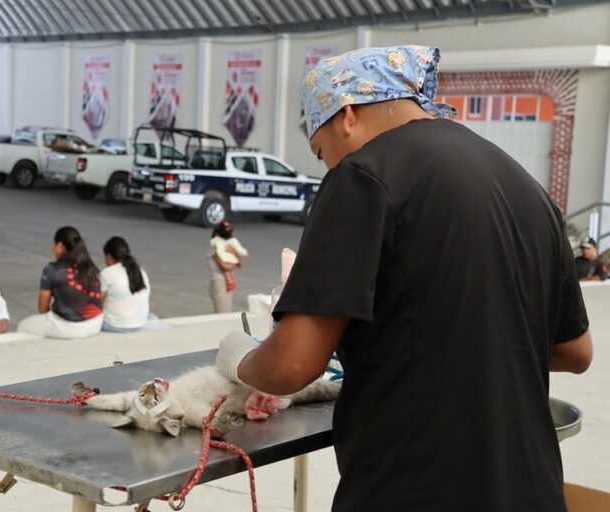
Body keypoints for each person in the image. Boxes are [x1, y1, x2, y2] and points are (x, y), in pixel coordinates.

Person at [216, 46, 593, 511]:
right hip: (531, 490)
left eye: (321, 150)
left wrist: (239, 360)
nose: (327, 165)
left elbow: (292, 366)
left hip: (415, 487)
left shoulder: (364, 175)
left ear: (346, 114)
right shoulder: (526, 187)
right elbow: (575, 351)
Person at [17, 226, 104, 338]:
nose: (52, 247)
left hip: (71, 328)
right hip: (96, 323)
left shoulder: (52, 270)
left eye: (54, 244)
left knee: (23, 326)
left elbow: (42, 308)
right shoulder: (90, 266)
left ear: (60, 246)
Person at [100, 236, 150, 332]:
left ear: (109, 256)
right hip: (141, 322)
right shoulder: (141, 271)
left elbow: (98, 301)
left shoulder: (107, 273)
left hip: (114, 325)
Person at [207, 221, 242, 313]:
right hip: (219, 284)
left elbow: (239, 263)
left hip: (228, 283)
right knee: (223, 313)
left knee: (227, 312)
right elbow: (226, 266)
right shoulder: (214, 249)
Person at [210, 222, 249, 291]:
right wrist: (245, 253)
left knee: (226, 272)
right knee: (231, 271)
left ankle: (230, 281)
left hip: (223, 259)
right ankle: (232, 281)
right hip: (232, 260)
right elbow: (240, 250)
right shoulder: (233, 241)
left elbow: (212, 242)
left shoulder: (216, 240)